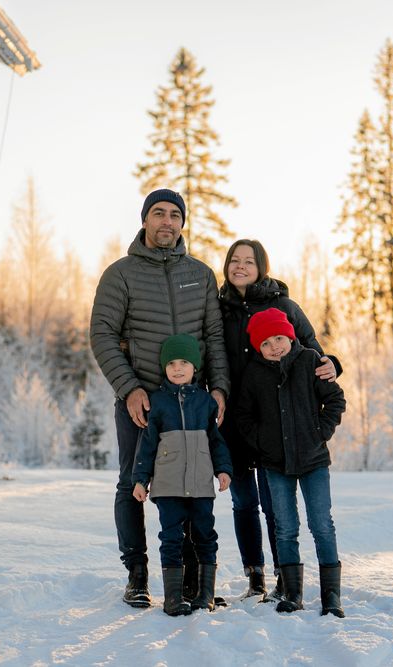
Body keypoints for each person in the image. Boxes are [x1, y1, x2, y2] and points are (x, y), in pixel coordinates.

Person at [90, 189, 229, 608]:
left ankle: (187, 577)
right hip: (143, 403)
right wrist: (129, 388)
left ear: (182, 223)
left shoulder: (202, 275)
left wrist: (218, 387)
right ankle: (136, 573)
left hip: (191, 405)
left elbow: (215, 337)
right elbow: (102, 335)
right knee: (131, 483)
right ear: (145, 220)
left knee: (189, 487)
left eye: (174, 215)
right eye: (158, 213)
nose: (167, 221)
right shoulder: (121, 274)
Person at [217, 239, 341, 600]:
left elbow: (312, 350)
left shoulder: (282, 305)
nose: (240, 267)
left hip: (281, 424)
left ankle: (285, 579)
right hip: (237, 420)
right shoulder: (217, 308)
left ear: (261, 267)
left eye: (248, 261)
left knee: (276, 505)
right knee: (243, 502)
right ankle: (255, 576)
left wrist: (334, 364)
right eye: (234, 261)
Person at [236, 308, 347, 617]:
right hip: (275, 464)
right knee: (285, 528)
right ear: (258, 347)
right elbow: (243, 416)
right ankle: (292, 592)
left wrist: (319, 432)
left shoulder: (310, 361)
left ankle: (331, 595)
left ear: (290, 336)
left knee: (321, 525)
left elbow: (336, 400)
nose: (275, 347)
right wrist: (262, 442)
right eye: (267, 343)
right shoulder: (254, 374)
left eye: (279, 339)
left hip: (313, 460)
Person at [131, 334, 234, 616]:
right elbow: (147, 444)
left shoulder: (205, 402)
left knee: (205, 535)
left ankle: (205, 595)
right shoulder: (157, 403)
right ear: (164, 367)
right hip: (167, 486)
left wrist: (223, 470)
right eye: (172, 363)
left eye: (184, 362)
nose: (178, 368)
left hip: (201, 484)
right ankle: (174, 597)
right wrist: (140, 479)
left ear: (195, 367)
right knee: (172, 538)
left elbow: (216, 441)